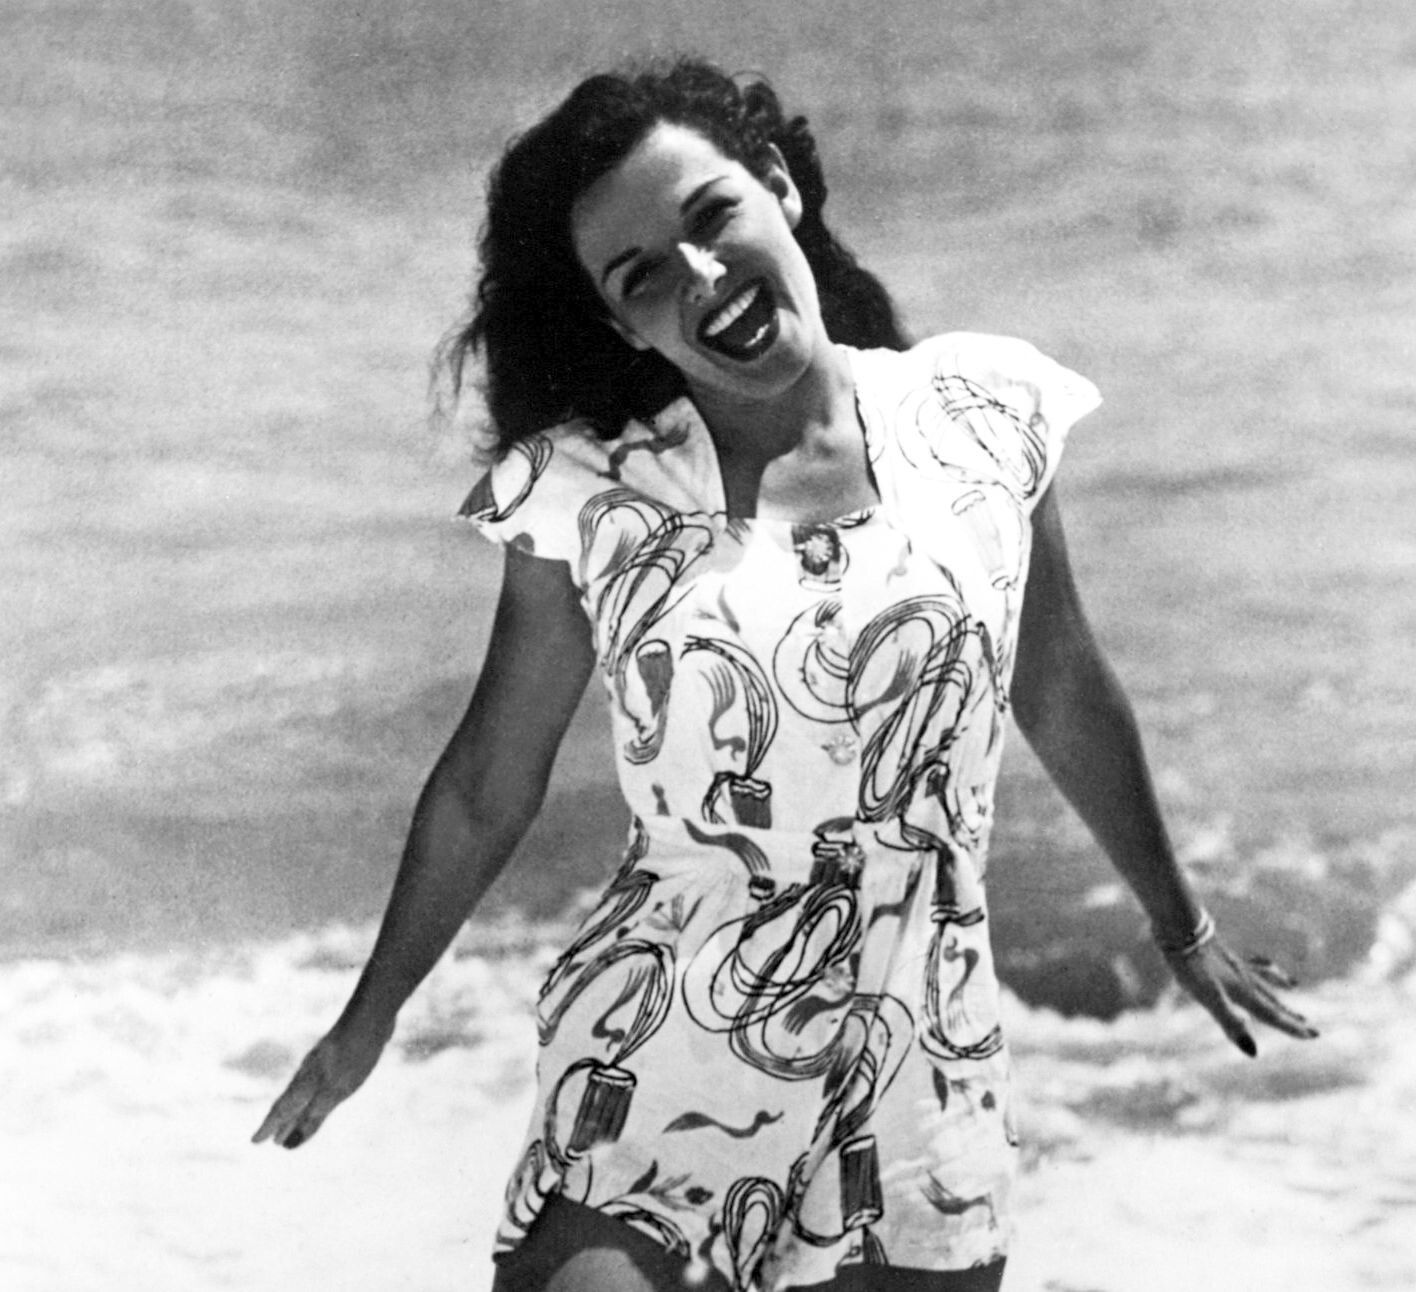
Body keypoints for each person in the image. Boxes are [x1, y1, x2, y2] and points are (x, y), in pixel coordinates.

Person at [254, 57, 1318, 1292]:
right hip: (664, 1039)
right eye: (642, 276)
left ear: (778, 185)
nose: (700, 277)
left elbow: (1062, 684)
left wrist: (1181, 922)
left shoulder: (982, 414)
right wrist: (369, 1017)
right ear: (622, 324)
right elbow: (491, 777)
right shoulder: (595, 495)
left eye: (713, 216)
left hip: (922, 1057)